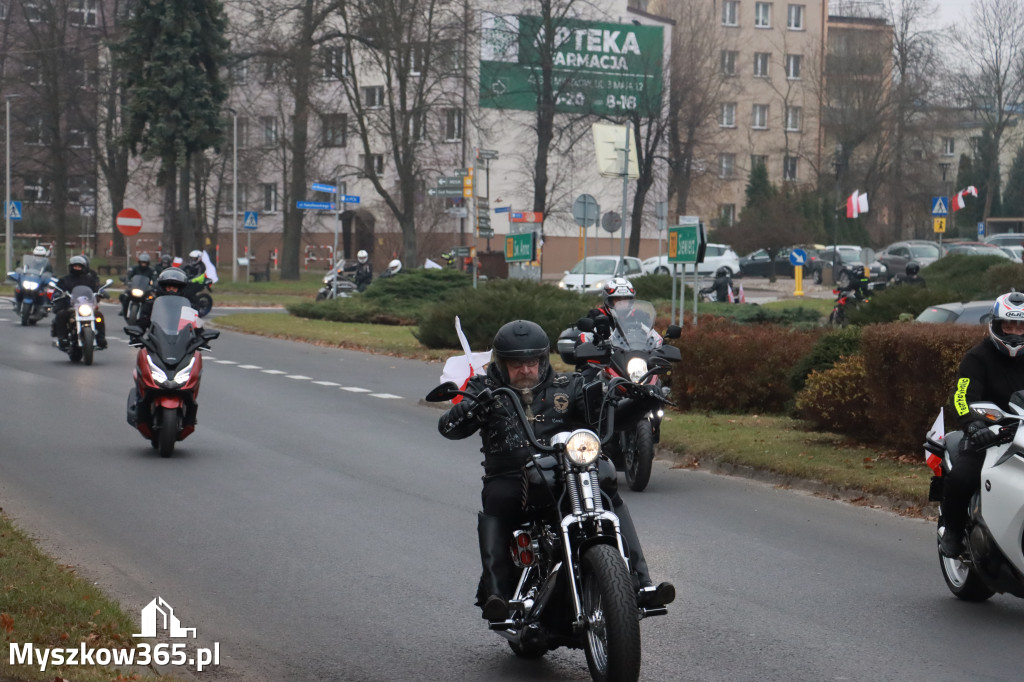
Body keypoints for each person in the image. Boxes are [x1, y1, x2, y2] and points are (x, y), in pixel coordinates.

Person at [437, 320, 675, 621]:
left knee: (608, 494)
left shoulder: (569, 386)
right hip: (511, 476)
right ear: (502, 362)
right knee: (498, 500)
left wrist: (640, 403)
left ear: (543, 360)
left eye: (532, 362)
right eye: (516, 364)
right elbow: (449, 427)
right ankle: (499, 597)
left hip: (565, 470)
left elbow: (602, 418)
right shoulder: (486, 389)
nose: (526, 370)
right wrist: (469, 409)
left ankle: (642, 585)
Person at [939, 291, 1024, 557]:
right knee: (963, 475)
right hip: (989, 433)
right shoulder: (977, 357)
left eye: (1020, 326)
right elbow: (962, 396)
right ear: (995, 325)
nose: (1013, 332)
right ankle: (952, 532)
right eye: (1007, 325)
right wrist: (972, 426)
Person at [50, 255, 107, 349]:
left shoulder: (89, 280)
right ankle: (63, 338)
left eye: (79, 266)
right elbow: (58, 290)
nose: (77, 268)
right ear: (71, 267)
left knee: (99, 316)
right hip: (70, 306)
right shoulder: (65, 280)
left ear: (83, 267)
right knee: (61, 315)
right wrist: (58, 295)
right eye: (75, 266)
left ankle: (101, 339)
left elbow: (96, 289)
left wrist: (100, 293)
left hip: (86, 306)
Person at [134, 267, 196, 333]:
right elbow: (142, 323)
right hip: (156, 340)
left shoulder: (188, 307)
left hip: (183, 341)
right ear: (163, 287)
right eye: (169, 287)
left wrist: (203, 338)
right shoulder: (152, 305)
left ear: (180, 288)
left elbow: (196, 327)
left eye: (175, 287)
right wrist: (136, 334)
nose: (171, 290)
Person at [118, 252, 157, 316]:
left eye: (145, 263)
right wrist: (126, 281)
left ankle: (149, 314)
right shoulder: (134, 268)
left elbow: (155, 279)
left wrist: (155, 285)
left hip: (145, 288)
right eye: (142, 262)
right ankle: (123, 309)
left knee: (152, 299)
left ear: (148, 263)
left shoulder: (151, 270)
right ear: (139, 262)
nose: (143, 264)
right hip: (134, 287)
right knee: (123, 295)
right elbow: (128, 276)